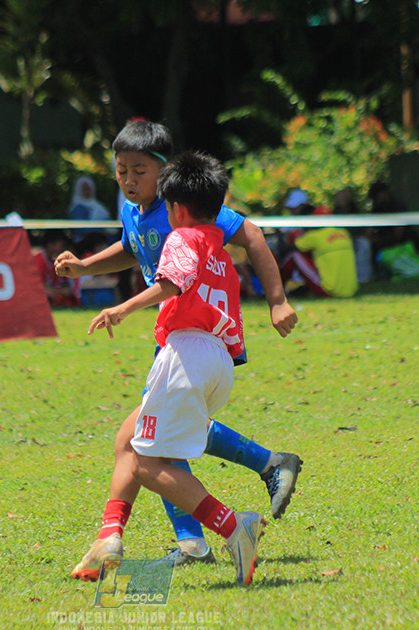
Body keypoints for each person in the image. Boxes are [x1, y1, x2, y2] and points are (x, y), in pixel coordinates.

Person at [55, 119, 300, 567]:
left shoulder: (188, 207)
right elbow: (136, 247)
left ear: (164, 172)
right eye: (121, 169)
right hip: (185, 340)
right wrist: (85, 266)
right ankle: (214, 516)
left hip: (191, 339)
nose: (128, 179)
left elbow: (250, 237)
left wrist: (277, 301)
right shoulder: (136, 211)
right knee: (159, 434)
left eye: (139, 170)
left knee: (146, 443)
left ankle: (211, 529)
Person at [278, 226, 358, 298]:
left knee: (294, 255)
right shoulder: (344, 233)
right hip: (351, 291)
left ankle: (276, 289)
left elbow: (292, 247)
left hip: (328, 290)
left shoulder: (315, 236)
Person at [33, 231, 80, 306]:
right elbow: (33, 285)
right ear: (50, 245)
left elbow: (64, 288)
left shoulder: (53, 260)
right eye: (62, 246)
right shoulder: (37, 260)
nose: (64, 250)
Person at [68, 175, 113, 250]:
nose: (87, 192)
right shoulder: (77, 208)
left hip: (100, 241)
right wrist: (102, 229)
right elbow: (82, 229)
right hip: (85, 245)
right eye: (84, 189)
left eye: (88, 189)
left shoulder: (98, 206)